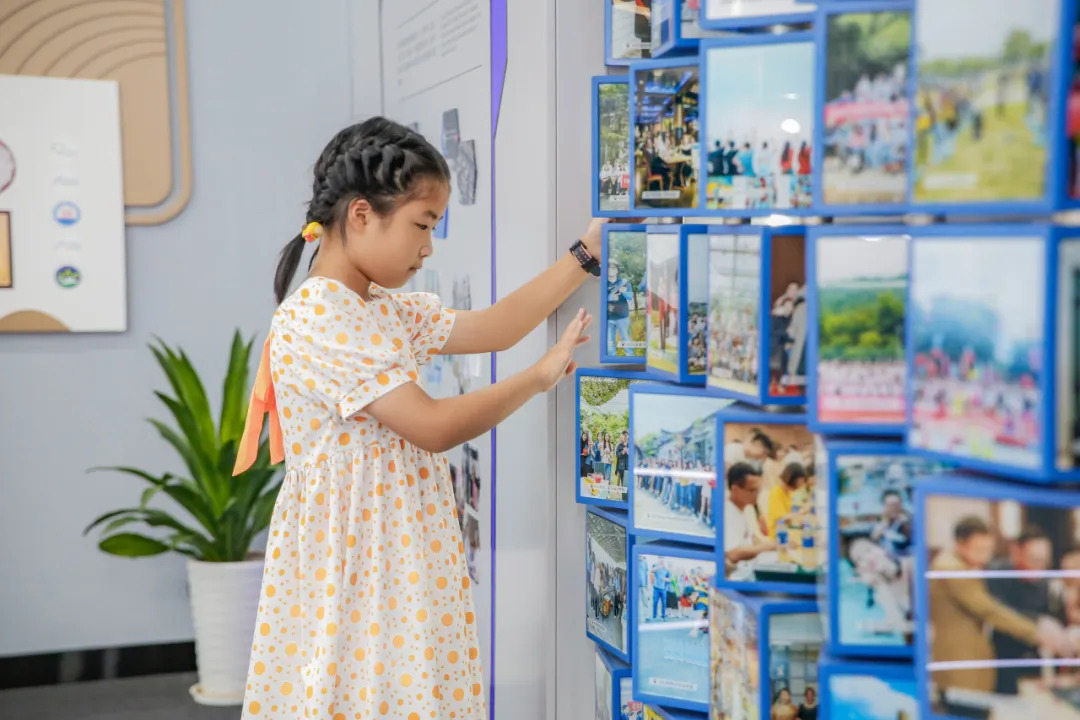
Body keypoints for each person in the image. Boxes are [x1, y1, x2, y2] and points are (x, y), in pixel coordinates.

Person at [234, 117, 599, 720]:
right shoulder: (320, 315)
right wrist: (536, 379)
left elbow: (497, 326)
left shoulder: (376, 306)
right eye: (422, 225)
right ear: (360, 215)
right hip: (360, 558)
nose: (428, 247)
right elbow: (431, 426)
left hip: (392, 544)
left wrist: (585, 254)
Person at [928, 516, 1069, 696]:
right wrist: (1037, 631)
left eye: (989, 550)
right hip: (961, 663)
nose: (985, 557)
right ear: (960, 545)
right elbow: (989, 610)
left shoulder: (962, 566)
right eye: (979, 550)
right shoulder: (952, 569)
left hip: (997, 663)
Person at [986, 525, 1061, 695]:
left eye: (1044, 562)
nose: (1040, 568)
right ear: (1016, 551)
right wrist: (1038, 622)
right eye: (1034, 560)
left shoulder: (1043, 583)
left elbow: (1050, 621)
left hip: (1033, 663)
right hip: (1000, 662)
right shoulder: (997, 574)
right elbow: (999, 613)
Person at [724, 462, 776, 574]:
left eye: (758, 490)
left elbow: (753, 540)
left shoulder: (743, 510)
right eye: (752, 490)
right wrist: (767, 547)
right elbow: (732, 553)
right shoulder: (728, 514)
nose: (756, 494)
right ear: (735, 490)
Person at [766, 462, 807, 538]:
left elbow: (794, 511)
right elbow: (781, 520)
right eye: (798, 484)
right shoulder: (776, 492)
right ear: (790, 480)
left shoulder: (790, 492)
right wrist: (800, 512)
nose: (799, 487)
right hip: (779, 535)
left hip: (788, 531)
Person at [607, 260, 635, 356]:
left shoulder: (624, 282)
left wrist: (624, 292)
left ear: (617, 270)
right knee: (609, 343)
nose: (611, 269)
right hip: (608, 318)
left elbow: (630, 296)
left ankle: (631, 360)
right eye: (609, 267)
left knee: (627, 340)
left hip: (623, 317)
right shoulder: (604, 283)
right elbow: (601, 298)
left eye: (613, 267)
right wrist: (610, 297)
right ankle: (611, 361)